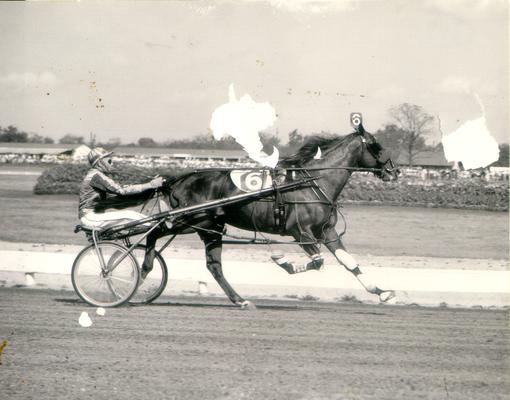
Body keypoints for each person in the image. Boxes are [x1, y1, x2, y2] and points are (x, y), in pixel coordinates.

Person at [78, 147, 164, 229]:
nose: (112, 163)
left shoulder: (96, 175)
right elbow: (121, 190)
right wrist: (150, 185)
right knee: (129, 215)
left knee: (131, 217)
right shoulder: (96, 176)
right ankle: (158, 226)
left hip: (94, 216)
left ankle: (155, 224)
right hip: (90, 217)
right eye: (109, 160)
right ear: (100, 162)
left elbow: (121, 189)